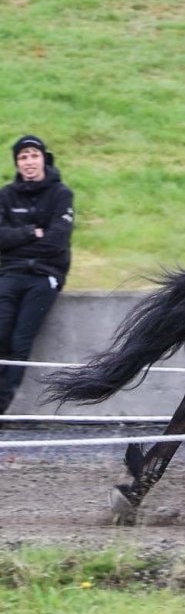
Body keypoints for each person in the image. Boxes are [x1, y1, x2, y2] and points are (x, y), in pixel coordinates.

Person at [0, 135, 74, 413]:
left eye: (33, 155)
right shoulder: (6, 195)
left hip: (45, 275)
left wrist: (17, 240)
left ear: (43, 158)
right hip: (9, 273)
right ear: (17, 163)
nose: (28, 161)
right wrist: (31, 231)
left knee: (20, 342)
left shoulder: (61, 194)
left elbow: (57, 240)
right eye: (22, 157)